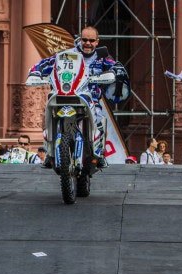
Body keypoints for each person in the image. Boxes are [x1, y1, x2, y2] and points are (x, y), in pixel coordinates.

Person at [28, 25, 129, 169]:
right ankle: (49, 152)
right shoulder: (66, 55)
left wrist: (116, 72)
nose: (87, 43)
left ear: (97, 42)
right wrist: (36, 72)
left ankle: (99, 153)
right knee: (48, 113)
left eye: (91, 40)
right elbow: (46, 62)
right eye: (84, 39)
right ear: (80, 39)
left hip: (90, 97)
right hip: (64, 93)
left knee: (99, 118)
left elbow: (116, 67)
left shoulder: (102, 58)